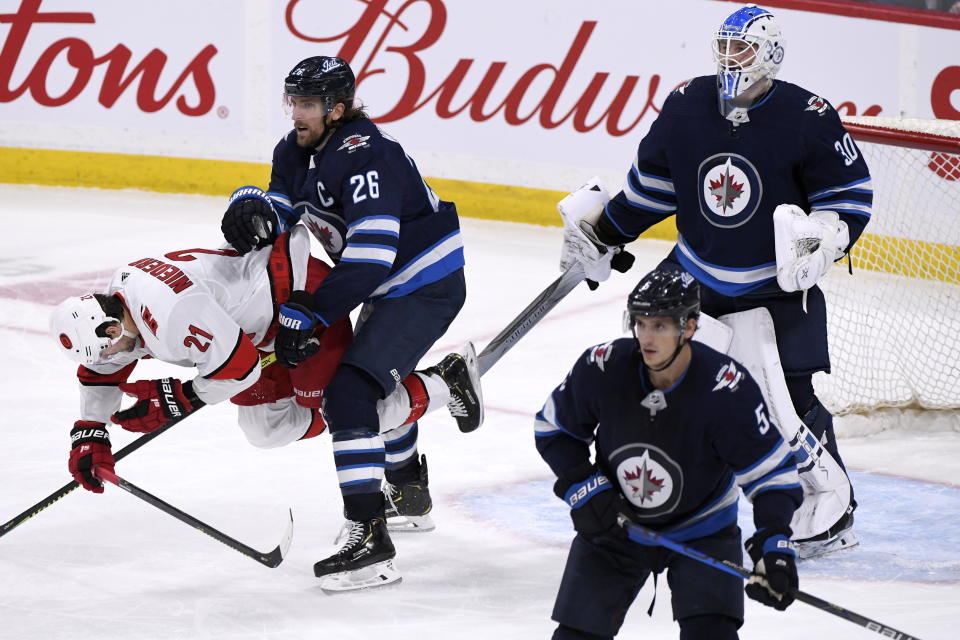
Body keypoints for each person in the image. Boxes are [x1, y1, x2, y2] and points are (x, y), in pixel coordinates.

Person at [560, 4, 870, 558]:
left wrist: (825, 236)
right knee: (656, 377)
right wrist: (604, 230)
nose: (731, 58)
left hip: (772, 286)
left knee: (788, 401)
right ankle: (670, 491)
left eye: (743, 48)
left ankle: (832, 510)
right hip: (695, 275)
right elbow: (653, 190)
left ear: (770, 53)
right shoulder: (686, 105)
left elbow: (848, 198)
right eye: (724, 46)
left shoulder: (808, 115)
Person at [49, 226, 481, 587]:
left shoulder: (170, 312)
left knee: (342, 408)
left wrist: (180, 399)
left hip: (298, 304)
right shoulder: (115, 310)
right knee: (266, 429)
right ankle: (405, 450)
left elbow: (238, 369)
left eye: (106, 350)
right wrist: (91, 429)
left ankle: (444, 384)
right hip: (252, 328)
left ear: (109, 326)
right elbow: (106, 371)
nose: (109, 361)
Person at [217, 55, 468, 588]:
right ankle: (408, 489)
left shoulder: (365, 154)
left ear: (337, 108)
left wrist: (309, 312)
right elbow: (283, 215)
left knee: (350, 396)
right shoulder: (295, 148)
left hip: (424, 284)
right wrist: (251, 208)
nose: (297, 115)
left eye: (307, 104)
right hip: (383, 286)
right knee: (365, 386)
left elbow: (375, 253)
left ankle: (369, 536)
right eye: (293, 103)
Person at [535, 269, 803, 640]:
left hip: (703, 529)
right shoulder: (604, 367)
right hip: (617, 525)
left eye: (660, 326)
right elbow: (554, 430)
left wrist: (774, 541)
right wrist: (585, 487)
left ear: (690, 327)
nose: (646, 337)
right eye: (640, 323)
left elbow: (772, 475)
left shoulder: (725, 389)